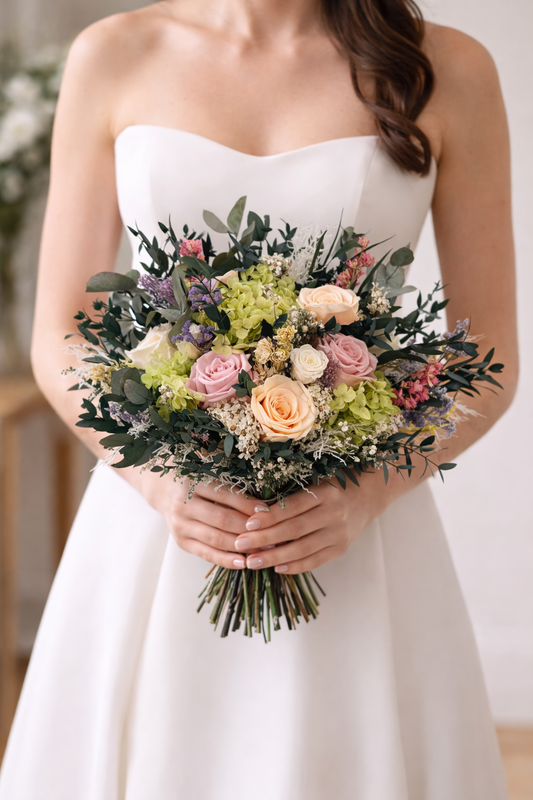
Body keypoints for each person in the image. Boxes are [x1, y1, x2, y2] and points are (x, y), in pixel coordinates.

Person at [0, 1, 518, 797]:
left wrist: (366, 492)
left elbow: (487, 359)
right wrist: (157, 482)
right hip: (158, 527)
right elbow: (59, 335)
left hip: (351, 532)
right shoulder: (113, 52)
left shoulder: (448, 68)